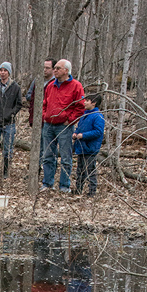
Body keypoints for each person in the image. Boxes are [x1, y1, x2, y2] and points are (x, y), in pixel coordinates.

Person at [41, 58, 85, 195]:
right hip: (48, 125)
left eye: (58, 68)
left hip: (64, 127)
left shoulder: (76, 86)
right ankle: (47, 184)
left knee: (66, 157)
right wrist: (45, 115)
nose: (55, 70)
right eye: (54, 68)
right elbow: (44, 103)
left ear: (66, 70)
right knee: (48, 155)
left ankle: (64, 186)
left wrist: (70, 120)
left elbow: (80, 107)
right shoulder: (50, 86)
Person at [0, 61, 22, 179]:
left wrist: (11, 114)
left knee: (8, 149)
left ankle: (6, 172)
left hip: (9, 123)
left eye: (5, 70)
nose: (2, 73)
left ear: (9, 72)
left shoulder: (15, 87)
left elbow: (18, 104)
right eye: (1, 70)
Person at [73, 93, 105, 196]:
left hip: (90, 148)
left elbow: (98, 132)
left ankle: (92, 192)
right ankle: (78, 189)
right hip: (81, 147)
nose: (84, 102)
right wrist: (76, 133)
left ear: (94, 103)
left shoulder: (98, 116)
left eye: (87, 100)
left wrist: (84, 136)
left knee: (90, 171)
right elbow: (80, 128)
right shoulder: (84, 115)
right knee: (79, 170)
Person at [26, 58, 55, 127]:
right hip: (35, 117)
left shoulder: (56, 83)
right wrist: (36, 99)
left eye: (47, 68)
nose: (45, 70)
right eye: (43, 67)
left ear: (53, 69)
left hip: (49, 120)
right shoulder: (37, 81)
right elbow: (28, 95)